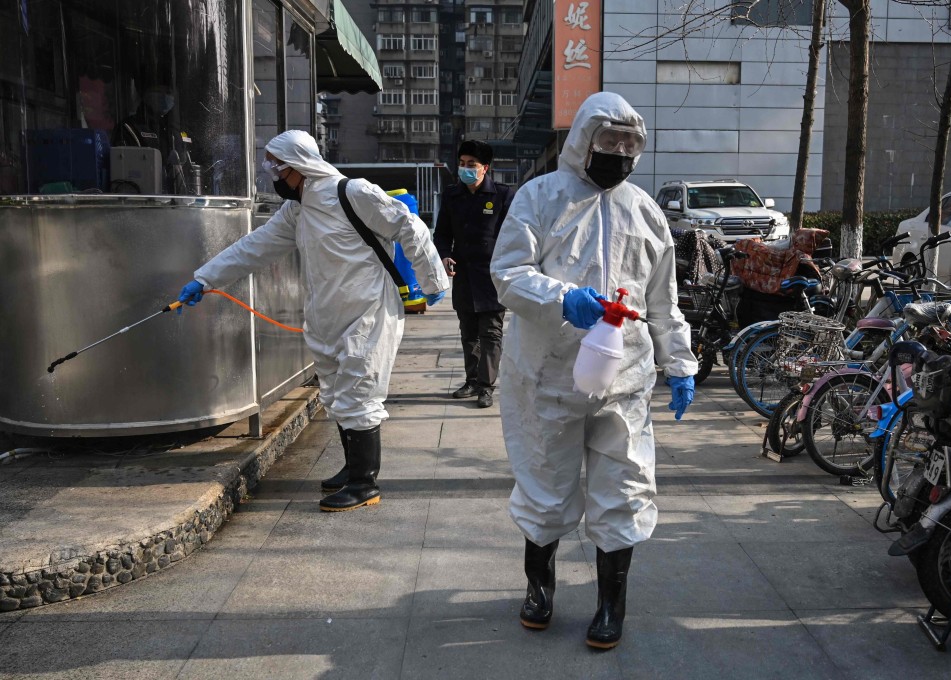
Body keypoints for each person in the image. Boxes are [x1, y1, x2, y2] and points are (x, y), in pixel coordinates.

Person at [490, 91, 697, 649]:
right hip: (547, 376)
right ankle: (540, 589)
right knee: (545, 488)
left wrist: (678, 361)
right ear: (584, 139)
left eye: (630, 145)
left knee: (623, 489)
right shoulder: (540, 197)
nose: (620, 154)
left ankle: (611, 605)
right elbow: (508, 273)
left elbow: (663, 301)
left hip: (623, 380)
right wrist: (563, 300)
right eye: (610, 141)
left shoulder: (645, 211)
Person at [178, 130, 449, 512]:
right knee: (337, 394)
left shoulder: (352, 193)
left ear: (300, 166)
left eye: (280, 170)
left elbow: (409, 226)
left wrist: (432, 278)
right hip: (325, 313)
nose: (275, 178)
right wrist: (206, 278)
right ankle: (351, 468)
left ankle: (363, 482)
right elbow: (254, 248)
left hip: (367, 311)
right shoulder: (298, 210)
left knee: (360, 390)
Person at [434, 140, 516, 408]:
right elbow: (442, 233)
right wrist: (445, 255)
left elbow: (512, 236)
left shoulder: (502, 195)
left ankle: (486, 386)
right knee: (468, 331)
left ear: (485, 169)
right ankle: (471, 380)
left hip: (491, 275)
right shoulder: (451, 195)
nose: (465, 169)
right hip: (464, 274)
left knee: (491, 332)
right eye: (462, 163)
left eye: (472, 165)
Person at [113, 84, 194, 194]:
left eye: (169, 93)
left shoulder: (174, 129)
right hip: (143, 202)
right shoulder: (128, 128)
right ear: (146, 93)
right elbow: (124, 173)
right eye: (160, 91)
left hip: (178, 202)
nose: (166, 96)